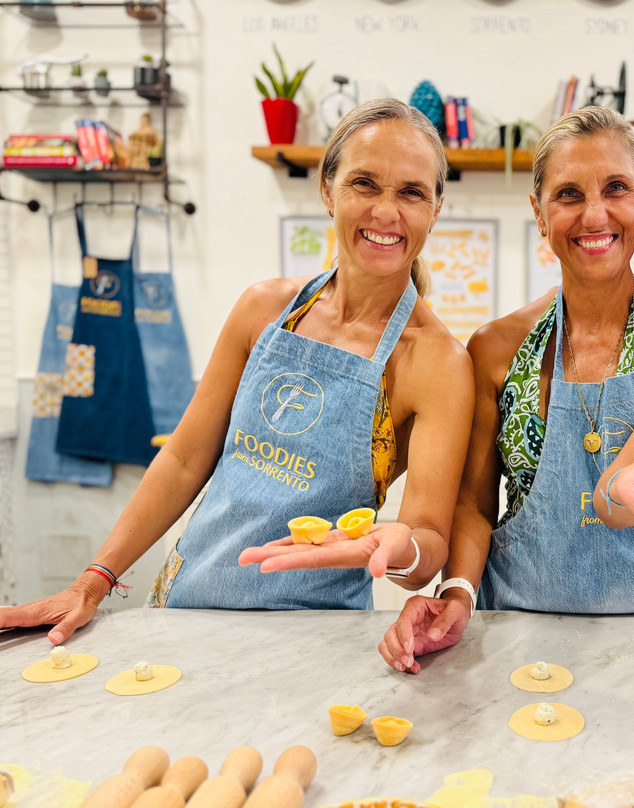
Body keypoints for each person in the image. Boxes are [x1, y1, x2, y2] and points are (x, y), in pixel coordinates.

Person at [0, 99, 473, 645]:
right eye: (365, 183)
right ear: (328, 189)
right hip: (182, 607)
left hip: (313, 635)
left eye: (412, 192)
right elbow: (182, 459)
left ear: (435, 209)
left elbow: (429, 536)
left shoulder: (437, 362)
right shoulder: (262, 311)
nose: (386, 212)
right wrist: (94, 579)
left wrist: (396, 549)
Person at [375, 107, 634, 673]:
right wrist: (458, 593)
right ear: (540, 214)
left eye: (616, 188)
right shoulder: (495, 349)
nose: (596, 215)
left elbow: (620, 494)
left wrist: (627, 489)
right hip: (516, 635)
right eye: (568, 195)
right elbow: (473, 503)